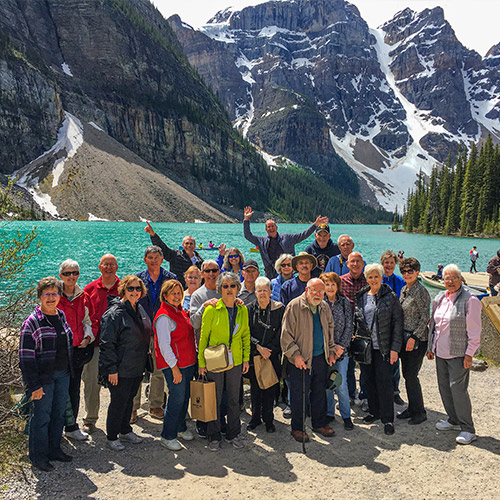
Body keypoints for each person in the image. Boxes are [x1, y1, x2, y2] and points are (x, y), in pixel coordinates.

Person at [20, 277, 74, 471]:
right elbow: (26, 358)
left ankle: (54, 449)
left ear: (60, 296)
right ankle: (38, 456)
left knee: (58, 414)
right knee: (41, 417)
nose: (51, 298)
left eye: (54, 293)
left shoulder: (60, 316)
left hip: (62, 374)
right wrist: (34, 386)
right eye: (47, 294)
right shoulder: (32, 323)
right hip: (43, 378)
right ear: (40, 297)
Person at [426, 264, 482, 445]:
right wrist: (430, 347)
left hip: (458, 353)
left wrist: (469, 354)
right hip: (440, 351)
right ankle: (453, 419)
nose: (449, 281)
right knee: (444, 387)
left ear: (460, 279)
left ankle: (468, 428)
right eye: (446, 278)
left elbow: (474, 331)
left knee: (458, 390)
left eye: (453, 278)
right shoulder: (441, 297)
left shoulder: (470, 300)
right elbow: (434, 325)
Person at [198, 272, 251, 452]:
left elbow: (245, 335)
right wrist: (201, 363)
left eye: (232, 286)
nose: (229, 289)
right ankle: (213, 436)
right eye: (225, 286)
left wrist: (245, 359)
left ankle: (233, 433)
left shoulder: (242, 309)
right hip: (215, 359)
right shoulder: (211, 309)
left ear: (238, 288)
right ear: (220, 289)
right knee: (215, 398)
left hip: (235, 360)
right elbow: (203, 338)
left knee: (234, 399)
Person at [281, 278, 337, 442]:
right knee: (299, 396)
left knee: (320, 392)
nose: (318, 294)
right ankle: (297, 428)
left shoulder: (324, 307)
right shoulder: (294, 306)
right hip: (301, 359)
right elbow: (285, 335)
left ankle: (319, 423)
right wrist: (295, 355)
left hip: (321, 357)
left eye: (321, 291)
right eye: (315, 290)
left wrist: (331, 351)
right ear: (307, 290)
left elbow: (330, 331)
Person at [99, 275, 151, 451]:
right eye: (130, 289)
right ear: (123, 290)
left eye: (138, 289)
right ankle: (112, 436)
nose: (134, 292)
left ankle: (125, 430)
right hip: (120, 368)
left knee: (129, 400)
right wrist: (111, 369)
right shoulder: (115, 313)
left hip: (136, 366)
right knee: (118, 402)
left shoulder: (139, 309)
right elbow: (107, 343)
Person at [354, 263, 403, 435]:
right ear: (366, 278)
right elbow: (357, 321)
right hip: (366, 349)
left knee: (385, 383)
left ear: (381, 277)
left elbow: (398, 324)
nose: (373, 280)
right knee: (368, 381)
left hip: (384, 348)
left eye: (376, 276)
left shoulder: (390, 297)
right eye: (370, 277)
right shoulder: (361, 296)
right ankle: (374, 411)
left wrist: (395, 349)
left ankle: (388, 418)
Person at [133, 246, 177, 422]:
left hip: (161, 328)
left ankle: (156, 404)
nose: (153, 260)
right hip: (140, 328)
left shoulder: (171, 278)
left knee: (159, 368)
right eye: (150, 257)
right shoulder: (137, 279)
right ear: (145, 260)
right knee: (136, 368)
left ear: (162, 259)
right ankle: (133, 407)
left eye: (156, 257)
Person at [154, 280, 197, 451]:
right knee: (176, 399)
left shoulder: (179, 311)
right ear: (165, 295)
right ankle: (167, 435)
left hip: (187, 363)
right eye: (173, 293)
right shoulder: (164, 316)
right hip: (175, 365)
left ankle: (180, 428)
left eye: (179, 293)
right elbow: (164, 346)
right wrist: (174, 368)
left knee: (184, 397)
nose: (177, 296)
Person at [82, 253, 120, 434]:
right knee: (91, 383)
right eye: (105, 264)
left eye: (112, 264)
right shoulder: (90, 289)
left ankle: (122, 418)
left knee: (120, 384)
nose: (109, 267)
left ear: (117, 267)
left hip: (118, 345)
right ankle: (90, 419)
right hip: (96, 344)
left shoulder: (124, 288)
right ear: (100, 267)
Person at [57, 259, 95, 442]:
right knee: (57, 389)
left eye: (74, 273)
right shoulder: (54, 296)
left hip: (78, 351)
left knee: (74, 389)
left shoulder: (84, 297)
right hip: (58, 352)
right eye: (67, 274)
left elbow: (89, 321)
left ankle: (71, 427)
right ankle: (55, 428)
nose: (71, 277)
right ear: (61, 276)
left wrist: (87, 338)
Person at [243, 205, 328, 279]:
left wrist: (315, 225)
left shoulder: (288, 238)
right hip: (270, 274)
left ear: (276, 227)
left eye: (273, 226)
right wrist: (246, 219)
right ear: (266, 229)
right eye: (269, 227)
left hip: (289, 273)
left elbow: (303, 235)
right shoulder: (261, 241)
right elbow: (248, 235)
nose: (271, 228)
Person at [247, 277, 284, 433]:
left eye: (265, 290)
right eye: (259, 290)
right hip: (255, 354)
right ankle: (255, 417)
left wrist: (269, 350)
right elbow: (245, 331)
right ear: (255, 292)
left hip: (272, 354)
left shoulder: (279, 309)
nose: (262, 293)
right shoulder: (248, 309)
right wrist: (258, 347)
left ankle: (269, 419)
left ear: (270, 292)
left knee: (270, 389)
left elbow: (282, 332)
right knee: (255, 389)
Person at [397, 258, 431, 425]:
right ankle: (412, 408)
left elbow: (425, 316)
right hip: (404, 337)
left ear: (417, 272)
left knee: (411, 375)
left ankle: (420, 411)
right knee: (407, 375)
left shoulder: (420, 291)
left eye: (410, 271)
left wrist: (415, 337)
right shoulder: (404, 290)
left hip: (416, 339)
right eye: (404, 271)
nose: (407, 274)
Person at [319, 272, 354, 430]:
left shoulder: (344, 302)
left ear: (337, 286)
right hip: (325, 351)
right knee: (328, 383)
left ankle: (346, 415)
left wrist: (340, 347)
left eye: (333, 284)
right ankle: (329, 412)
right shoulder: (320, 303)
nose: (330, 287)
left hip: (342, 351)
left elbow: (349, 326)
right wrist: (330, 349)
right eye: (327, 284)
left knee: (341, 383)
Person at [340, 251, 368, 405]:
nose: (355, 264)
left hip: (364, 330)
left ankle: (364, 396)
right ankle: (351, 394)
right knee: (348, 365)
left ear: (363, 264)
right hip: (346, 330)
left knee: (365, 365)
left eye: (358, 261)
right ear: (347, 264)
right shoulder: (341, 281)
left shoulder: (369, 281)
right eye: (352, 261)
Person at [380, 250, 406, 406]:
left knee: (394, 362)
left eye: (391, 262)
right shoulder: (377, 278)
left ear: (395, 264)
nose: (388, 265)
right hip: (379, 326)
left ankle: (395, 391)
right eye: (386, 262)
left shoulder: (400, 282)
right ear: (382, 263)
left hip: (394, 326)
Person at [144, 221, 203, 288]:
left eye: (191, 243)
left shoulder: (200, 261)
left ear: (194, 246)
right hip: (178, 290)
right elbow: (163, 248)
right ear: (183, 245)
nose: (189, 245)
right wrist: (153, 235)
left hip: (195, 291)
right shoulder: (175, 255)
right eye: (186, 243)